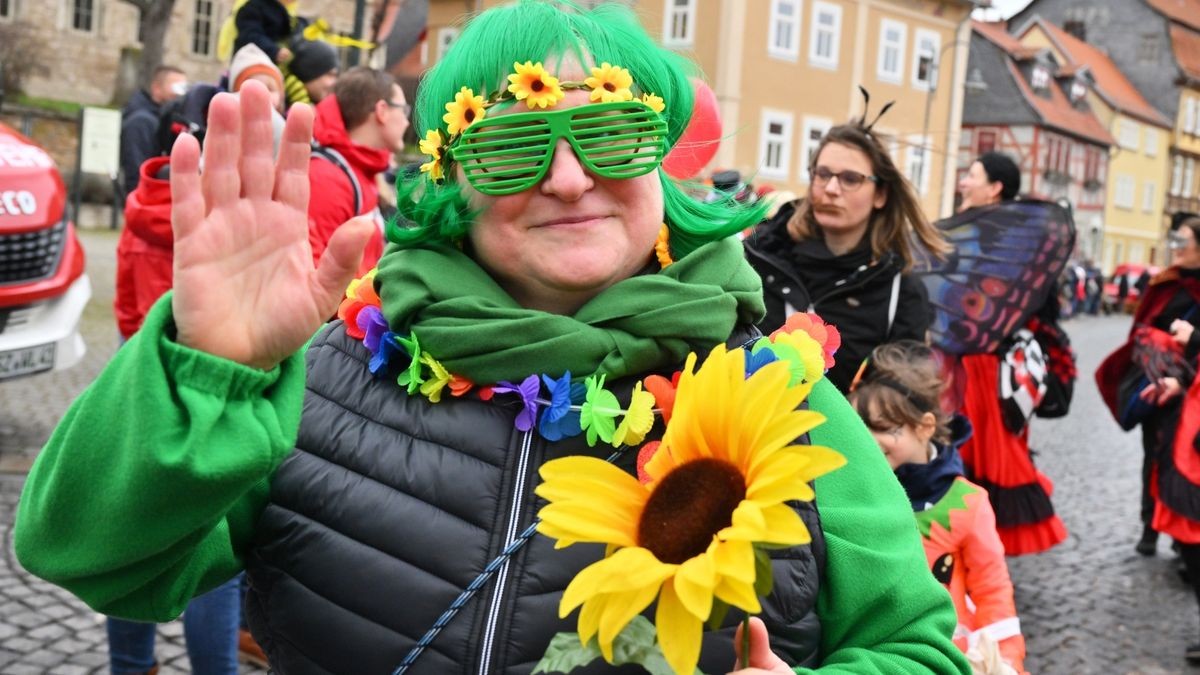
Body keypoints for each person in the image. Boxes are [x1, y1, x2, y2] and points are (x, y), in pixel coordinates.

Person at [14, 3, 970, 674]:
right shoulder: (324, 376)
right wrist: (210, 368)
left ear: (665, 163)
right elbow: (90, 554)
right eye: (510, 143)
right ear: (445, 182)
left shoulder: (782, 405)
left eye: (612, 132)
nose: (565, 177)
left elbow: (926, 650)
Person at [110, 104, 243, 675]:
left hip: (138, 391)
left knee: (131, 540)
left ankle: (131, 665)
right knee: (212, 555)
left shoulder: (140, 210)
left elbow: (122, 308)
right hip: (207, 396)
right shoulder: (219, 223)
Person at [850, 341, 1027, 674]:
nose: (869, 441)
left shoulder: (967, 503)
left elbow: (992, 588)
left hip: (948, 656)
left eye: (884, 428)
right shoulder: (858, 493)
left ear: (925, 426)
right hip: (879, 655)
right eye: (861, 429)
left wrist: (1004, 659)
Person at [745, 121, 950, 393]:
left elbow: (904, 397)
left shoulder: (900, 293)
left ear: (880, 195)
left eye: (850, 179)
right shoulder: (758, 258)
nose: (830, 188)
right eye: (823, 173)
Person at [953, 152, 1069, 556]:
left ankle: (979, 553)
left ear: (995, 187)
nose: (963, 183)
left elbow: (1037, 306)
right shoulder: (974, 230)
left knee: (982, 458)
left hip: (985, 371)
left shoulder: (1008, 240)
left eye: (971, 175)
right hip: (963, 365)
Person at [1097, 213, 1200, 662]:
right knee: (1154, 458)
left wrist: (1190, 346)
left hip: (1190, 390)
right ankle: (1150, 525)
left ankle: (1180, 540)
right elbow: (1142, 326)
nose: (1177, 246)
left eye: (1184, 239)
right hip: (1163, 385)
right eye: (1175, 239)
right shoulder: (1167, 283)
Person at [307, 66, 407, 274]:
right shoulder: (327, 179)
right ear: (382, 111)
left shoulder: (361, 170)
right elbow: (316, 274)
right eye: (403, 109)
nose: (407, 121)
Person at [120, 65, 187, 198]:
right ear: (156, 88)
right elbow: (136, 172)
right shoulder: (141, 122)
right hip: (147, 203)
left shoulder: (166, 120)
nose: (180, 94)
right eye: (176, 87)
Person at [233, 0, 301, 65]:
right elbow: (250, 35)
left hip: (269, 61)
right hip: (251, 61)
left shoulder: (281, 10)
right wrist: (274, 51)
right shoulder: (253, 7)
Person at [283, 36, 339, 107]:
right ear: (307, 73)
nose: (334, 82)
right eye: (329, 75)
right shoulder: (277, 109)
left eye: (336, 76)